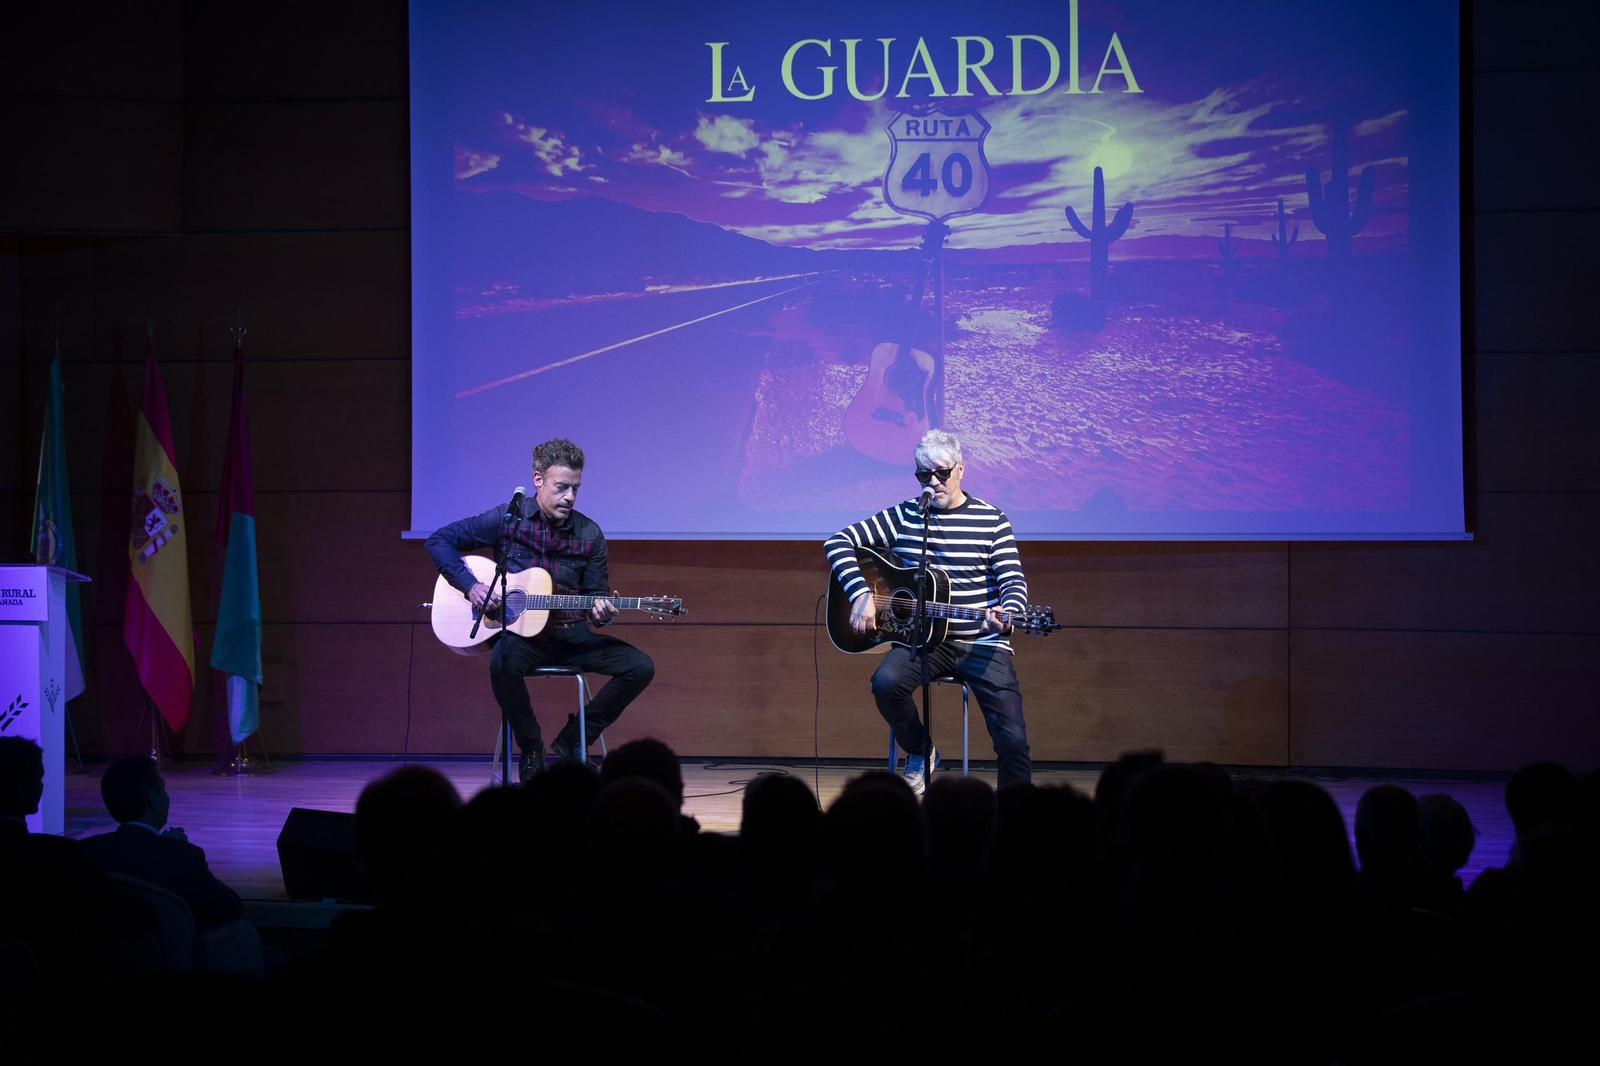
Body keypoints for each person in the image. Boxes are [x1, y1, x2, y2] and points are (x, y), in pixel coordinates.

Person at [426, 438, 655, 782]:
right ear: (538, 480)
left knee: (640, 666)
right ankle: (531, 747)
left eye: (576, 488)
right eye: (562, 487)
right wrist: (470, 586)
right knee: (501, 662)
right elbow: (439, 540)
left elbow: (595, 594)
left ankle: (575, 739)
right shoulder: (508, 520)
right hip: (523, 639)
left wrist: (602, 611)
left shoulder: (590, 533)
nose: (570, 497)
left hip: (572, 636)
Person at [825, 429, 1033, 792]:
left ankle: (1014, 818)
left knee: (1012, 739)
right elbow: (838, 541)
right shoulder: (906, 515)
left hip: (983, 642)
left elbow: (1013, 583)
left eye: (941, 473)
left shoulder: (992, 520)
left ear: (961, 470)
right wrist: (860, 593)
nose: (933, 482)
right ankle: (921, 750)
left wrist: (1008, 612)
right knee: (885, 684)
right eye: (924, 475)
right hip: (923, 641)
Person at [79, 756, 243, 927]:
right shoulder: (183, 857)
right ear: (153, 799)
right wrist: (175, 849)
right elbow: (230, 908)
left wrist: (161, 844)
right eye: (163, 789)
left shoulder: (85, 852)